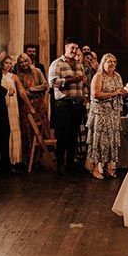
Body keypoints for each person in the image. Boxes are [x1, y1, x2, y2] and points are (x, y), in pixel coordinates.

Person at [48, 38, 88, 174]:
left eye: (76, 48)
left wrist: (84, 97)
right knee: (62, 135)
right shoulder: (57, 64)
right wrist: (71, 80)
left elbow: (82, 83)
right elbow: (52, 82)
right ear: (65, 48)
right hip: (63, 104)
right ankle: (60, 165)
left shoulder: (79, 65)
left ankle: (70, 164)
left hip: (77, 104)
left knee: (73, 136)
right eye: (72, 48)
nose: (74, 51)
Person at [86, 53, 124, 179]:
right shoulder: (98, 76)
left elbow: (119, 90)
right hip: (100, 114)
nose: (112, 63)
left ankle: (109, 166)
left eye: (114, 61)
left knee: (110, 141)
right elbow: (95, 93)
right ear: (103, 63)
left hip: (113, 113)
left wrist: (122, 92)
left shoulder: (117, 76)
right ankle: (96, 167)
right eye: (109, 61)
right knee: (99, 140)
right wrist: (114, 93)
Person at [14, 53, 49, 162]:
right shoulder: (19, 75)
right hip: (26, 105)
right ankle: (28, 159)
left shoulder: (37, 71)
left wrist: (32, 89)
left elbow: (45, 85)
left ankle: (39, 159)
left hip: (39, 104)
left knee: (41, 131)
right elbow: (22, 92)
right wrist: (27, 93)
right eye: (21, 62)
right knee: (27, 131)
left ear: (28, 61)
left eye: (25, 61)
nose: (24, 64)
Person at [0, 54, 24, 173]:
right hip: (2, 105)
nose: (8, 65)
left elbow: (22, 92)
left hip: (13, 105)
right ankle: (4, 160)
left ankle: (15, 159)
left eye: (10, 63)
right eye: (6, 63)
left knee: (14, 129)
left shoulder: (14, 76)